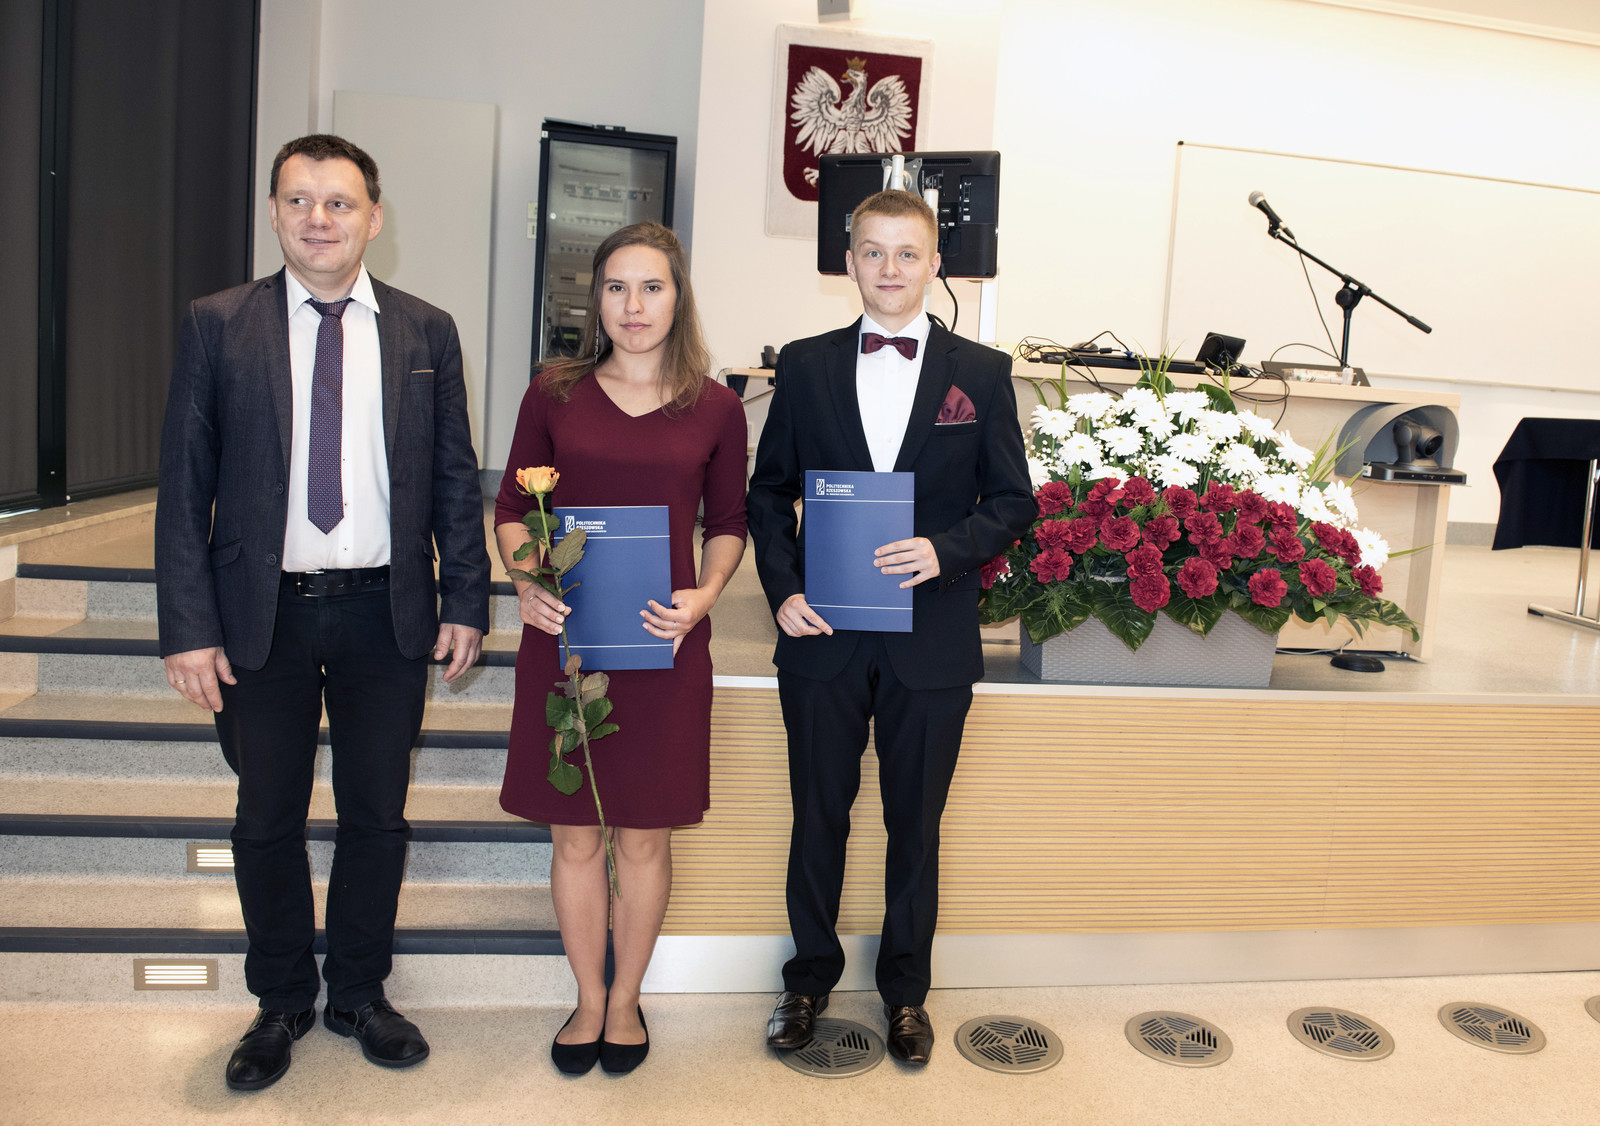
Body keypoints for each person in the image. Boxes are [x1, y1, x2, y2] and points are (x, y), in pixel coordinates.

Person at [155, 134, 490, 1091]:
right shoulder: (218, 324)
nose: (318, 218)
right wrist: (189, 627)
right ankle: (280, 1000)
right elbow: (184, 485)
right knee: (266, 816)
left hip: (388, 611)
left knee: (376, 815)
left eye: (339, 202)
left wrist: (466, 599)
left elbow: (454, 477)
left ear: (373, 218)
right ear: (274, 212)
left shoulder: (426, 331)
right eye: (299, 200)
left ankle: (358, 992)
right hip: (262, 617)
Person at [746, 190, 1036, 1065]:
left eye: (908, 253)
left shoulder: (982, 372)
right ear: (849, 262)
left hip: (931, 638)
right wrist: (783, 590)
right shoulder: (804, 366)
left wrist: (945, 550)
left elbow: (1013, 501)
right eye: (872, 251)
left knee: (917, 827)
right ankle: (807, 981)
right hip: (822, 633)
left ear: (936, 264)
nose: (890, 269)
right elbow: (767, 493)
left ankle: (906, 995)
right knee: (817, 817)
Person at [495, 221, 748, 1076]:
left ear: (678, 298)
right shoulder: (553, 394)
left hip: (661, 647)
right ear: (595, 300)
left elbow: (730, 522)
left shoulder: (716, 407)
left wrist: (705, 595)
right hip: (566, 644)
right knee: (573, 836)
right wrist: (525, 579)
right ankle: (587, 997)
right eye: (615, 287)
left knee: (643, 839)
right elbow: (511, 509)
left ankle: (628, 998)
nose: (633, 306)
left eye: (651, 287)